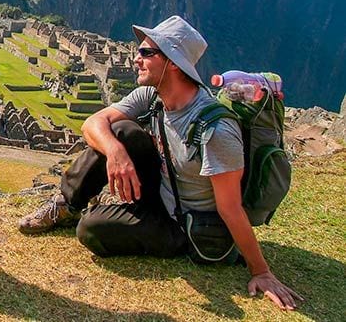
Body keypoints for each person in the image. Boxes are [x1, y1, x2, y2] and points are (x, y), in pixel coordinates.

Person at [17, 16, 303, 311]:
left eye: (146, 53)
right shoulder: (152, 96)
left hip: (184, 224)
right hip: (161, 190)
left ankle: (106, 216)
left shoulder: (216, 131)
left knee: (91, 229)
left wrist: (261, 271)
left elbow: (230, 208)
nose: (136, 59)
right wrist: (116, 152)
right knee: (119, 132)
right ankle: (65, 205)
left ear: (174, 63)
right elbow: (93, 123)